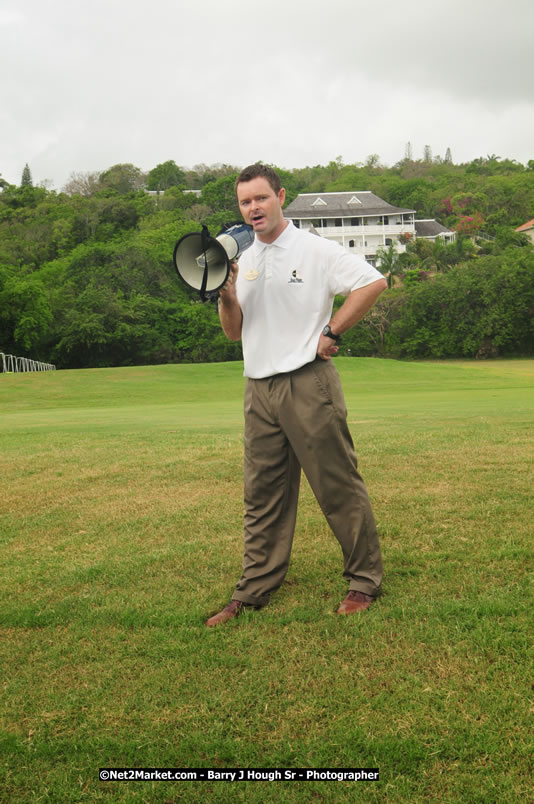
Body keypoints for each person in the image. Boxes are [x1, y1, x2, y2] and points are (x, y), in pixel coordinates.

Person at [206, 164, 387, 627]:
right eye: (245, 202)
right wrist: (226, 294)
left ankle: (364, 581)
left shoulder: (314, 250)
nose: (253, 209)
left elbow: (373, 282)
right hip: (257, 387)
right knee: (261, 493)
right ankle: (255, 587)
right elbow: (233, 334)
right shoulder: (240, 256)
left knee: (336, 485)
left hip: (307, 381)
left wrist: (333, 330)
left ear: (280, 197)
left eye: (260, 199)